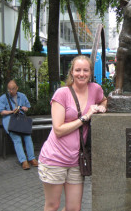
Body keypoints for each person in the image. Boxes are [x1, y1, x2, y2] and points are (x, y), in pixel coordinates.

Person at [38, 55, 107, 211]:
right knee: (53, 205)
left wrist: (102, 107)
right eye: (78, 70)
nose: (81, 74)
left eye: (85, 70)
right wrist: (85, 117)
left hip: (76, 161)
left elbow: (103, 100)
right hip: (54, 159)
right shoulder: (62, 94)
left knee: (74, 208)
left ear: (90, 73)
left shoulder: (95, 89)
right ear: (71, 72)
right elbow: (58, 129)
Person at [0, 80, 38, 170]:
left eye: (13, 89)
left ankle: (32, 158)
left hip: (21, 119)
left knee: (28, 137)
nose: (11, 91)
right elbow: (1, 112)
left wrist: (24, 108)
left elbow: (27, 107)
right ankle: (23, 161)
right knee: (17, 139)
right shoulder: (3, 98)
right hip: (10, 120)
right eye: (9, 89)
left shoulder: (22, 96)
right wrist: (12, 111)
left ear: (17, 88)